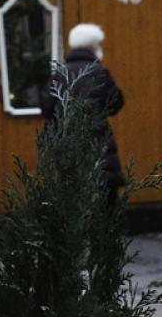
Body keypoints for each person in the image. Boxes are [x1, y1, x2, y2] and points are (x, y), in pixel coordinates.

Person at [42, 23, 125, 207]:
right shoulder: (98, 73)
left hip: (65, 148)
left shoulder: (59, 74)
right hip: (97, 145)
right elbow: (116, 103)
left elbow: (46, 107)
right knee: (105, 204)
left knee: (72, 204)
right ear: (94, 47)